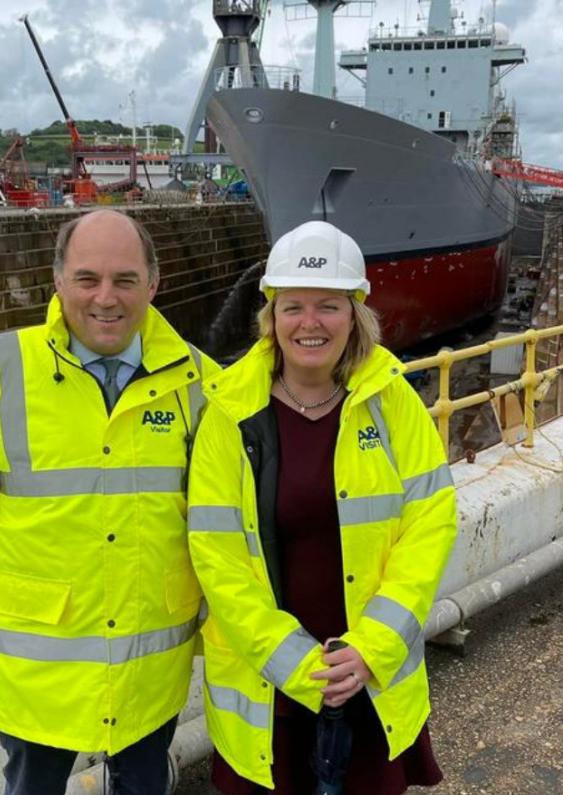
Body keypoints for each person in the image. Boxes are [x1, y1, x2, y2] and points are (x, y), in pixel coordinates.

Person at [0, 209, 219, 795]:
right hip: (38, 672)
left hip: (148, 664)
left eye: (125, 280)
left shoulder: (198, 382)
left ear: (154, 284)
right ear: (57, 281)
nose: (106, 298)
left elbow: (221, 523)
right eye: (88, 279)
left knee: (143, 786)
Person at [187, 221, 457, 793]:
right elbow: (217, 555)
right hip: (268, 688)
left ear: (355, 313)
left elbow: (429, 524)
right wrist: (298, 665)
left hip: (371, 679)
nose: (310, 323)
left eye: (328, 306)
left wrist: (370, 649)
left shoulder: (392, 402)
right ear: (272, 317)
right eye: (294, 307)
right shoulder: (230, 414)